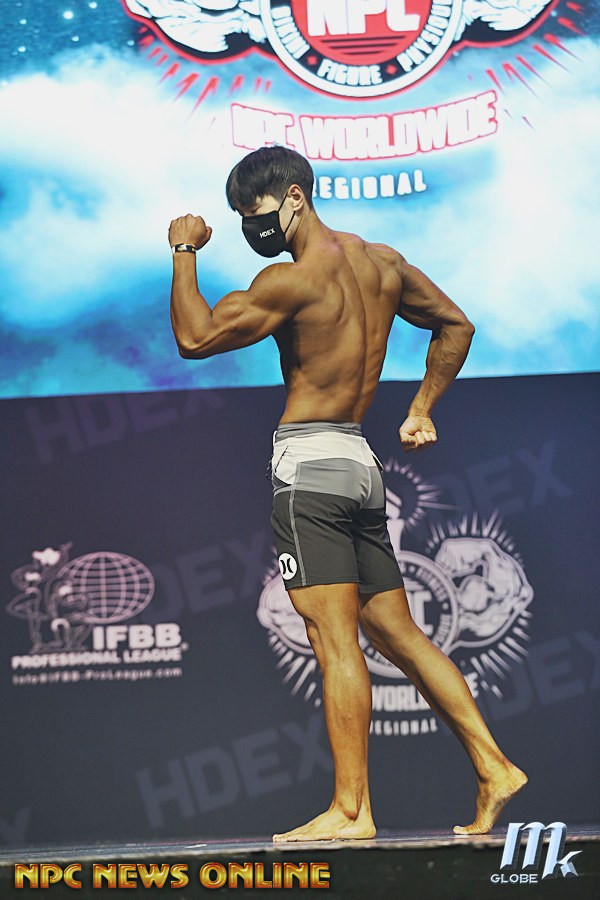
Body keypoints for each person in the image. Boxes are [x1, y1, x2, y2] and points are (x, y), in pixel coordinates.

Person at [168, 145, 528, 842]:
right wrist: (421, 409)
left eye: (255, 212)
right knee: (397, 632)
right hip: (361, 467)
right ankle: (494, 766)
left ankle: (353, 810)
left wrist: (184, 251)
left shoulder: (291, 280)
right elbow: (457, 323)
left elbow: (194, 336)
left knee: (334, 640)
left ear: (294, 197)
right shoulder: (381, 263)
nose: (250, 227)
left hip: (310, 469)